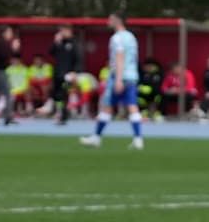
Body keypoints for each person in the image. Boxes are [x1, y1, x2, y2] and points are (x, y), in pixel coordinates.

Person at [81, 13, 143, 149]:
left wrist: (118, 79)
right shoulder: (131, 37)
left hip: (119, 76)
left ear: (118, 21)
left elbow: (120, 57)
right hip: (132, 75)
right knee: (132, 106)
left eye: (111, 19)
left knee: (107, 105)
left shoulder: (117, 38)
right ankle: (138, 139)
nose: (108, 21)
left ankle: (96, 137)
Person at [50, 25, 80, 125]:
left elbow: (78, 59)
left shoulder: (74, 43)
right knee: (56, 95)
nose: (62, 33)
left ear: (69, 31)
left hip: (68, 75)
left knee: (64, 94)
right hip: (58, 74)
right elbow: (51, 52)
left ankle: (64, 115)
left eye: (64, 31)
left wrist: (75, 72)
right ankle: (59, 113)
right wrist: (56, 42)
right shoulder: (59, 43)